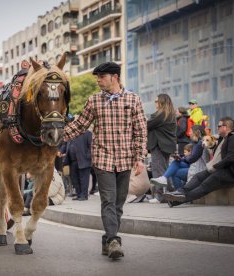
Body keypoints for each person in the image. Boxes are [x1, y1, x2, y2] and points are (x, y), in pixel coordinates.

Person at [63, 62, 147, 260]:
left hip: (126, 160)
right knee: (108, 200)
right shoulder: (94, 101)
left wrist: (140, 158)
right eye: (97, 77)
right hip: (103, 159)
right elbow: (79, 126)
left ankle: (107, 240)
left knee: (118, 203)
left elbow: (141, 131)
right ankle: (114, 241)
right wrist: (55, 137)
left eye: (102, 77)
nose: (98, 80)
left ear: (114, 77)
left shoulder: (133, 100)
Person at [164, 117, 234, 206]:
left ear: (226, 127)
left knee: (206, 184)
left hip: (233, 173)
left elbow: (231, 158)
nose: (217, 128)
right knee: (198, 176)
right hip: (222, 169)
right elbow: (217, 153)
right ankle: (179, 192)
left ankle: (177, 200)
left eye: (219, 126)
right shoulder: (223, 138)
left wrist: (216, 166)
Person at [150, 125, 206, 190]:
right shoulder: (196, 142)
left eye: (190, 131)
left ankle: (178, 191)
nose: (189, 133)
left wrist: (183, 158)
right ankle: (165, 179)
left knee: (175, 172)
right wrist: (181, 159)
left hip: (198, 169)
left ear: (196, 132)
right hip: (193, 166)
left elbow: (192, 158)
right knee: (176, 162)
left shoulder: (200, 143)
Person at [147, 94, 177, 203]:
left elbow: (147, 125)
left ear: (162, 102)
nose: (155, 103)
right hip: (166, 146)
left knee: (158, 170)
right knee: (164, 170)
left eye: (156, 101)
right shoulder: (169, 114)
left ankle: (160, 196)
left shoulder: (161, 115)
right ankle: (170, 193)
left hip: (160, 146)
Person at [62, 129, 92, 201]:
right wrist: (61, 151)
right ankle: (78, 194)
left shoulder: (87, 133)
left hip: (83, 160)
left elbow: (91, 146)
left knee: (83, 179)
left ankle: (84, 195)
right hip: (72, 160)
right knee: (75, 179)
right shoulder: (72, 133)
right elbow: (66, 144)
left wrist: (88, 156)